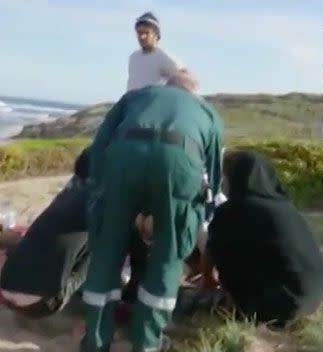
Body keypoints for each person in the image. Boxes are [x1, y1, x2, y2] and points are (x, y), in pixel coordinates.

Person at [82, 70, 224, 352]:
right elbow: (214, 170)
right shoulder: (206, 111)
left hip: (124, 160)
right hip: (179, 164)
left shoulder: (136, 96)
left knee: (107, 252)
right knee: (168, 256)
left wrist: (99, 187)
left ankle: (96, 341)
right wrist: (202, 211)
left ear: (167, 86)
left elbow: (100, 144)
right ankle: (147, 343)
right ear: (193, 93)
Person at [0, 148, 149, 318]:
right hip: (42, 304)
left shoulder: (68, 194)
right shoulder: (103, 203)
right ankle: (109, 306)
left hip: (7, 288)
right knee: (102, 248)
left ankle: (2, 271)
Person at [202, 151, 323, 327]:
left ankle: (239, 305)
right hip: (315, 294)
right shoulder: (285, 206)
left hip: (282, 303)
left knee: (228, 249)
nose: (222, 183)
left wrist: (209, 283)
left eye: (225, 177)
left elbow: (212, 253)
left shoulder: (233, 210)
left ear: (235, 178)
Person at [126, 12, 184, 92]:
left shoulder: (162, 56)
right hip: (134, 102)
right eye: (139, 33)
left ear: (156, 35)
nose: (142, 37)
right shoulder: (133, 57)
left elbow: (185, 78)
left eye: (146, 33)